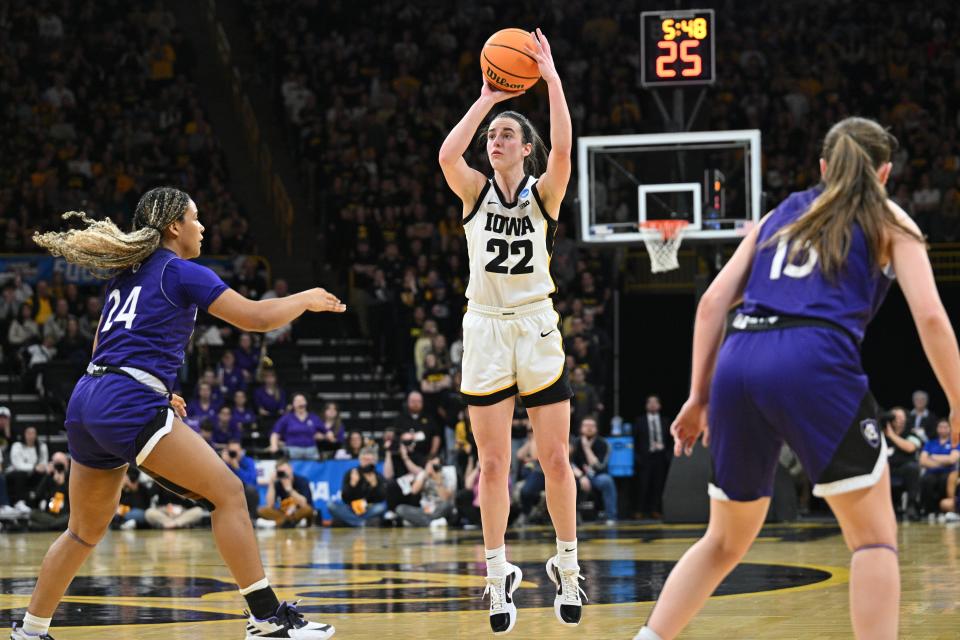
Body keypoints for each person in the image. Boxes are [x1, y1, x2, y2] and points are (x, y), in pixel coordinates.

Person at [634, 117, 960, 640]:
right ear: (884, 173)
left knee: (724, 541)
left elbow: (713, 303)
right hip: (813, 359)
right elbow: (930, 318)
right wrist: (959, 400)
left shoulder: (778, 215)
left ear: (825, 167)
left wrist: (698, 398)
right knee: (874, 541)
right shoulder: (888, 217)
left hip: (739, 359)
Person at [18, 186, 341, 639]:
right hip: (125, 402)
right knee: (229, 492)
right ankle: (267, 620)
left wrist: (156, 389)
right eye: (195, 218)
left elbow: (104, 347)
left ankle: (29, 632)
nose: (202, 226)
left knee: (82, 532)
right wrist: (303, 298)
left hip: (88, 398)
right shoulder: (182, 271)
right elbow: (255, 318)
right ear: (175, 227)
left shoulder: (124, 275)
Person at [438, 29, 583, 633]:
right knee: (492, 464)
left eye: (505, 134)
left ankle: (568, 566)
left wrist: (549, 79)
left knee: (554, 458)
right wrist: (486, 99)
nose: (494, 140)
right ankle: (497, 578)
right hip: (486, 331)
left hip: (536, 326)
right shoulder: (472, 191)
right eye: (492, 135)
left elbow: (566, 150)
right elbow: (448, 156)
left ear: (526, 149)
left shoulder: (544, 192)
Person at [570, 416, 617, 524]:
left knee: (607, 481)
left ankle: (611, 516)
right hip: (579, 476)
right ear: (581, 428)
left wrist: (587, 448)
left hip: (597, 476)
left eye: (592, 426)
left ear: (596, 429)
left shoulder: (604, 443)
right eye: (586, 425)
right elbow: (569, 463)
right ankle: (573, 516)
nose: (589, 428)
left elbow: (600, 466)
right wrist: (581, 477)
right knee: (570, 482)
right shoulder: (575, 443)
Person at [327, 446, 387, 527]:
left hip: (368, 509)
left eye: (370, 460)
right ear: (360, 459)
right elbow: (345, 498)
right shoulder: (351, 473)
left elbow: (381, 498)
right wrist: (352, 485)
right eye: (365, 459)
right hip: (351, 508)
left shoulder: (378, 476)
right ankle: (361, 523)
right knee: (331, 505)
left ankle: (353, 521)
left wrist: (374, 486)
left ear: (375, 462)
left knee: (381, 508)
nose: (367, 462)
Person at [634, 395, 673, 519]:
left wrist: (667, 455)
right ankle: (639, 510)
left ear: (659, 405)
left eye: (655, 402)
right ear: (646, 406)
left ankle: (655, 510)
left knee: (658, 485)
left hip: (661, 457)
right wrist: (638, 457)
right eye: (649, 402)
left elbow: (671, 441)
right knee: (643, 485)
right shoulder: (639, 421)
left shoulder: (666, 421)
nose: (652, 404)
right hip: (645, 458)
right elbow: (634, 441)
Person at [395, 456, 456, 528]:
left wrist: (438, 481)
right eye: (431, 465)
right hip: (425, 510)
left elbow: (445, 498)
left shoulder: (448, 473)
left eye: (436, 465)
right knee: (400, 509)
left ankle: (423, 522)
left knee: (448, 505)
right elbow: (414, 491)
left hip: (440, 509)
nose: (433, 468)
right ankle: (432, 523)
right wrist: (425, 475)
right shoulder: (423, 473)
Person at [883, 406, 921, 519]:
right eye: (895, 417)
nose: (898, 420)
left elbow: (910, 447)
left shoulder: (911, 434)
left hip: (903, 471)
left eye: (900, 417)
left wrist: (892, 435)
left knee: (912, 468)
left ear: (905, 419)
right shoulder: (882, 435)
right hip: (886, 470)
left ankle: (911, 505)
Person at [257, 459, 316, 528]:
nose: (284, 473)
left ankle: (280, 522)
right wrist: (271, 483)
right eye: (281, 472)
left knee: (308, 509)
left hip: (298, 512)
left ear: (291, 469)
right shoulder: (278, 483)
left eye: (285, 470)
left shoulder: (302, 481)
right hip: (284, 512)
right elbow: (270, 505)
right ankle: (290, 522)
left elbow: (304, 503)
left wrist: (290, 490)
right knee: (261, 510)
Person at [919, 418, 960, 516]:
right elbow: (922, 461)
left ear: (950, 428)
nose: (943, 429)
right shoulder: (930, 443)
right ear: (937, 429)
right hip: (931, 472)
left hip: (949, 472)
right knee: (927, 481)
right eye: (941, 427)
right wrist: (944, 461)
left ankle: (942, 510)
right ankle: (930, 510)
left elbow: (953, 459)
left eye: (946, 427)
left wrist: (933, 456)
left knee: (945, 480)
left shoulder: (954, 442)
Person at [269, 393, 323, 460]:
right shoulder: (286, 418)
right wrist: (274, 445)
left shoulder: (314, 417)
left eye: (302, 400)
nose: (300, 402)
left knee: (315, 469)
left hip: (311, 450)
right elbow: (275, 433)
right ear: (292, 404)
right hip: (292, 450)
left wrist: (323, 436)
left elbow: (326, 432)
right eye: (297, 401)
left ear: (306, 402)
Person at [6, 426, 49, 506]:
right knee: (21, 474)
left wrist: (42, 467)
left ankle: (41, 500)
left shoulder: (42, 446)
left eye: (33, 433)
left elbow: (44, 463)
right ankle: (19, 502)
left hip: (34, 474)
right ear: (24, 434)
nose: (31, 435)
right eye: (29, 433)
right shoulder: (17, 446)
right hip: (15, 473)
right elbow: (17, 465)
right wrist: (34, 467)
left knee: (45, 473)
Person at [28, 453, 71, 532]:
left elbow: (74, 499)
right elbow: (37, 495)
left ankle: (45, 527)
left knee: (72, 518)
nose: (59, 465)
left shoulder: (71, 476)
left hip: (66, 514)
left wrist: (62, 484)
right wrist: (47, 475)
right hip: (50, 515)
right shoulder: (49, 477)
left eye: (61, 462)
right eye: (56, 462)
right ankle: (56, 526)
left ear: (67, 462)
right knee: (33, 513)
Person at [221, 441, 260, 521]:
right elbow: (218, 479)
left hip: (244, 491)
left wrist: (237, 468)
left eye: (237, 451)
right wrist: (223, 463)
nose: (234, 454)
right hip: (228, 490)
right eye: (232, 451)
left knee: (251, 490)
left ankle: (252, 517)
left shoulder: (249, 461)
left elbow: (251, 482)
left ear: (242, 451)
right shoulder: (223, 462)